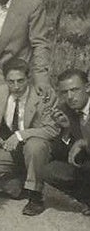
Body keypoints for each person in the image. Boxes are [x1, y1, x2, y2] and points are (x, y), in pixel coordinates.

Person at [0, 58, 58, 216]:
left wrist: (21, 134)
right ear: (5, 80)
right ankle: (20, 181)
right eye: (11, 82)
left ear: (28, 78)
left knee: (34, 146)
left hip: (37, 147)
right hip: (12, 149)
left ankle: (35, 196)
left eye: (20, 81)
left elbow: (52, 129)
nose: (16, 87)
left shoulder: (42, 95)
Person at [42, 68, 90, 215]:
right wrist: (66, 129)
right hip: (84, 166)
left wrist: (84, 142)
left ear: (87, 87)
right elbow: (60, 154)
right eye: (65, 92)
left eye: (75, 90)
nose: (70, 96)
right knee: (50, 170)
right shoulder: (65, 109)